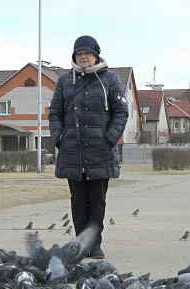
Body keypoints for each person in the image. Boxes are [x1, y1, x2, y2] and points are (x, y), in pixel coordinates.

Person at [49, 35, 129, 259]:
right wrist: (59, 137)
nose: (83, 58)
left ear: (96, 55)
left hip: (100, 151)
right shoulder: (65, 81)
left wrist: (109, 139)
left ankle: (94, 244)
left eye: (87, 53)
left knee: (97, 200)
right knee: (78, 200)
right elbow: (54, 112)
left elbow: (121, 112)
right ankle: (79, 243)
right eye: (79, 54)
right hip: (72, 150)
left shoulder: (110, 79)